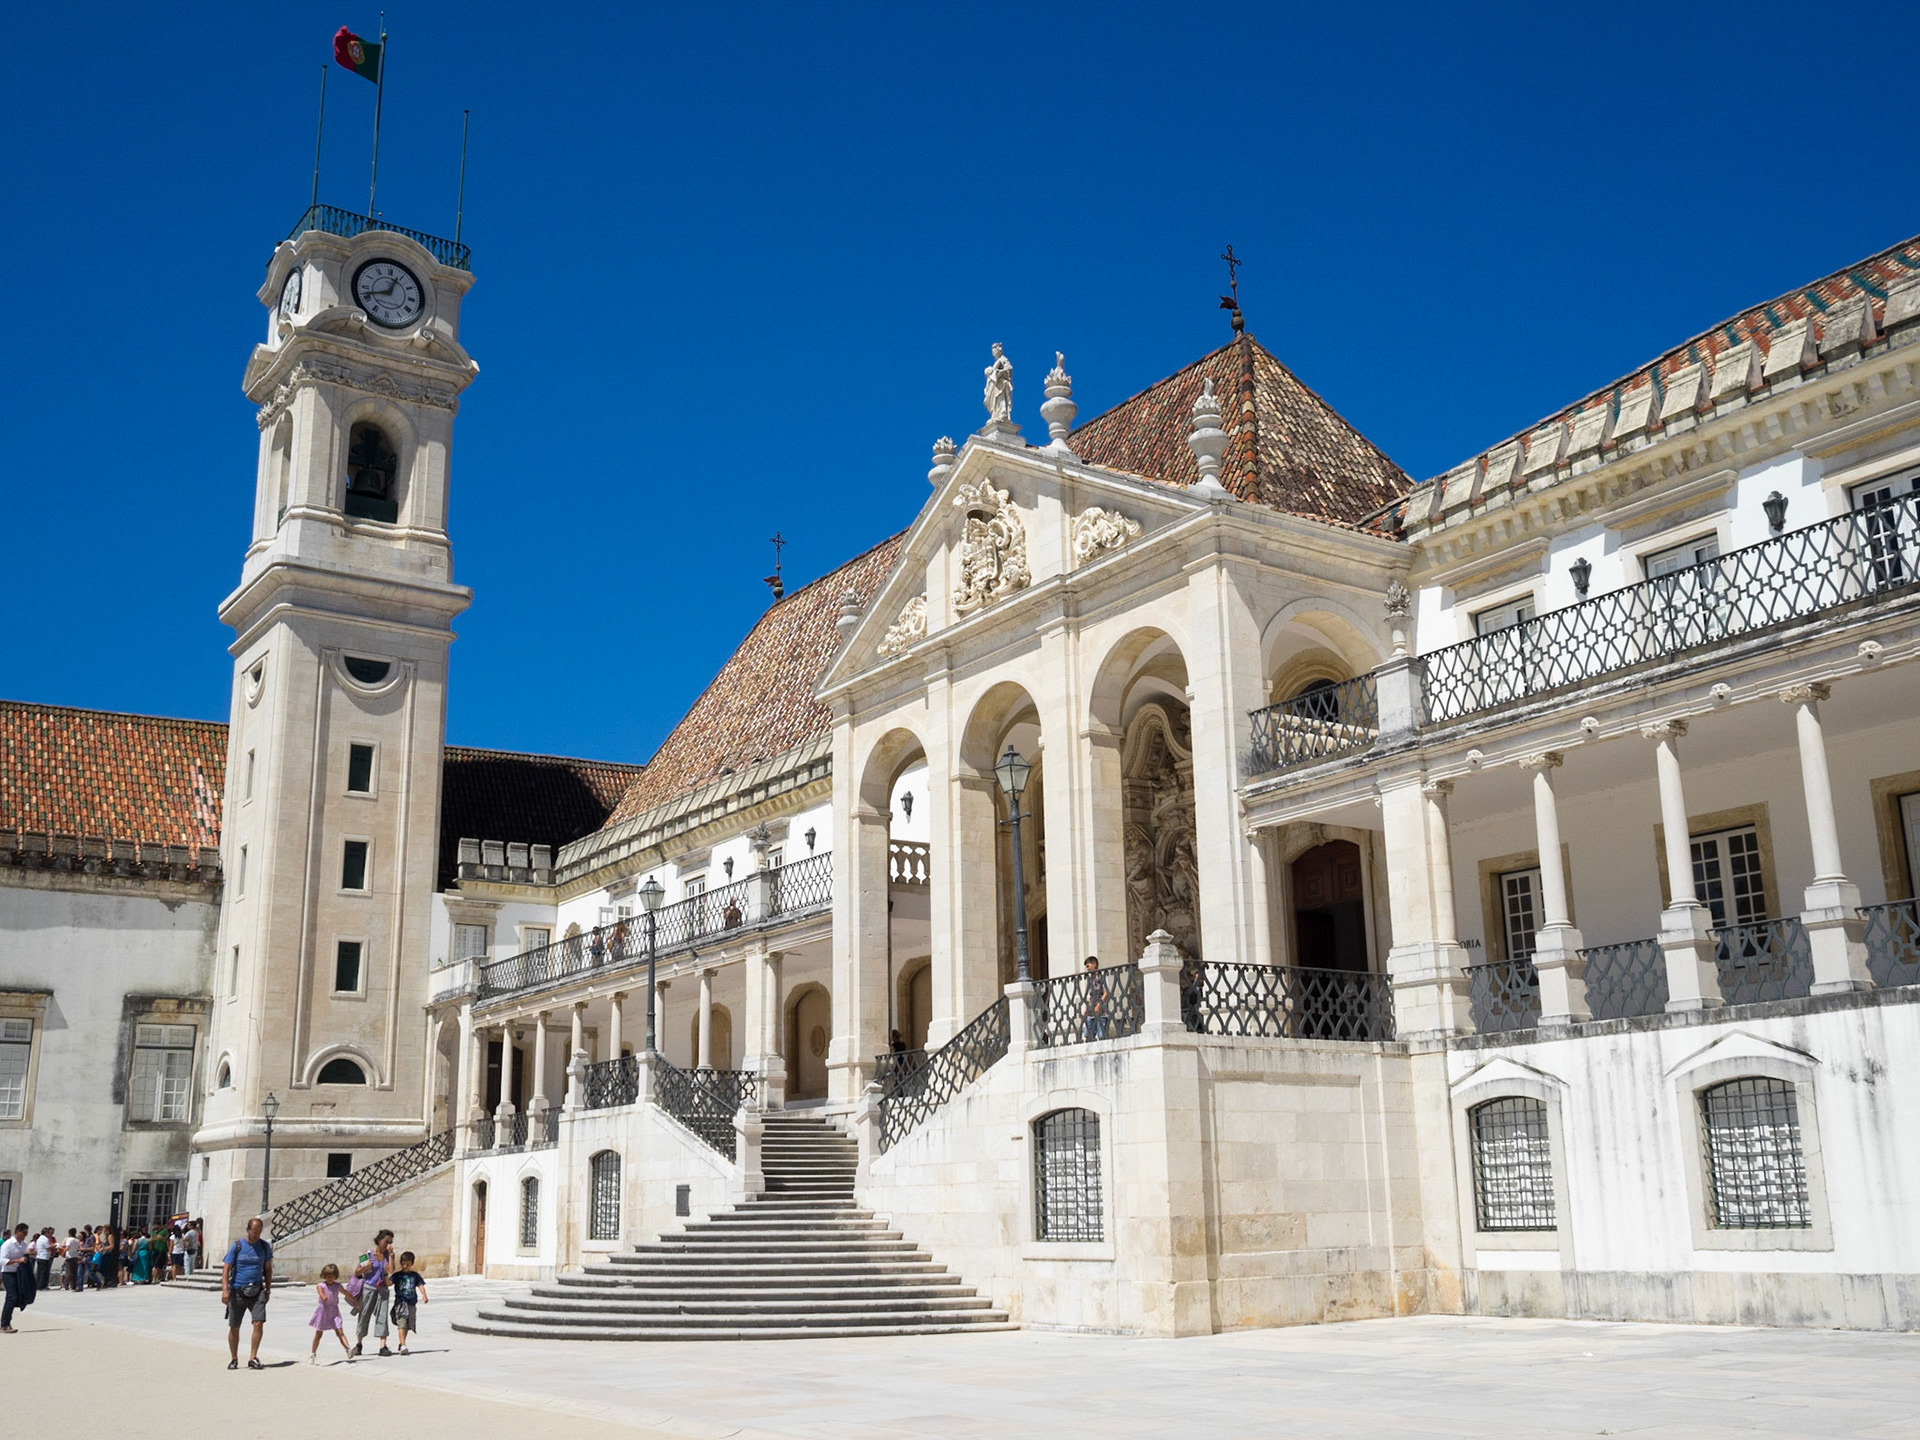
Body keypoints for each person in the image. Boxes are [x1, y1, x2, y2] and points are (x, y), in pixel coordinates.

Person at [221, 1216, 274, 1370]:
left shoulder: (264, 1247)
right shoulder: (237, 1246)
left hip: (257, 1290)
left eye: (259, 1231)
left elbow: (268, 1269)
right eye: (254, 1231)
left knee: (258, 1322)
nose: (257, 1234)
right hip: (237, 1290)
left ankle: (253, 1357)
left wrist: (268, 1289)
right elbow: (226, 1269)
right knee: (234, 1326)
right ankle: (234, 1358)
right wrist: (225, 1290)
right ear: (248, 1229)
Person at [350, 1229, 395, 1357]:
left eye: (391, 1242)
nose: (388, 1244)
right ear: (379, 1240)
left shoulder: (389, 1255)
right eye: (386, 1241)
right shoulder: (367, 1254)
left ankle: (383, 1346)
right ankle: (359, 1344)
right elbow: (357, 1272)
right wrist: (365, 1267)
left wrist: (391, 1256)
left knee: (382, 1316)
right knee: (364, 1315)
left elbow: (391, 1270)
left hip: (382, 1289)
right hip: (369, 1288)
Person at [308, 1264, 355, 1364]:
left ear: (335, 1276)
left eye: (332, 1276)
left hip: (334, 1311)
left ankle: (348, 1349)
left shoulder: (337, 1286)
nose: (330, 1278)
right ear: (324, 1276)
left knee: (339, 1331)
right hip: (323, 1311)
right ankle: (313, 1354)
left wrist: (355, 1301)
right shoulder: (321, 1285)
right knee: (318, 1334)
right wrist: (323, 1296)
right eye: (328, 1276)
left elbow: (346, 1293)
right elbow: (320, 1292)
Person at [388, 1251, 427, 1355]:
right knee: (402, 1323)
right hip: (400, 1303)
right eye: (403, 1264)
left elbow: (420, 1285)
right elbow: (389, 1283)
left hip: (411, 1303)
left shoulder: (415, 1276)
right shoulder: (397, 1275)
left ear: (412, 1264)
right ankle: (404, 1345)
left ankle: (402, 1343)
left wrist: (424, 1295)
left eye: (408, 1264)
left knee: (407, 1325)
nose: (405, 1266)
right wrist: (384, 1275)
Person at [2, 1222, 35, 1331]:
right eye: (24, 1233)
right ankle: (5, 1324)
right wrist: (18, 1260)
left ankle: (4, 1322)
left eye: (26, 1233)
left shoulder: (24, 1244)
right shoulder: (8, 1244)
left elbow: (25, 1255)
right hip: (8, 1273)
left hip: (19, 1274)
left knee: (16, 1297)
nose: (25, 1235)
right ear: (18, 1232)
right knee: (12, 1297)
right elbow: (3, 1261)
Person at [1080, 956, 1110, 1042]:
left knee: (1101, 1034)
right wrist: (1086, 1009)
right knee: (1088, 1034)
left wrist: (1099, 1005)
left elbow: (1106, 992)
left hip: (1102, 1011)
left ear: (1094, 964)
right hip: (1091, 1011)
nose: (1087, 968)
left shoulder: (1102, 976)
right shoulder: (1091, 979)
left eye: (1088, 966)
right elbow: (1091, 995)